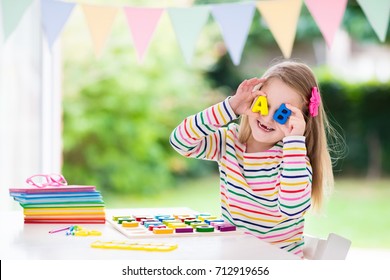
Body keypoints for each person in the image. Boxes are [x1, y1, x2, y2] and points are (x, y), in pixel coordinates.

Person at [169, 60, 334, 259]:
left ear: (301, 120)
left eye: (283, 114)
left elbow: (292, 208)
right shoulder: (229, 142)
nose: (267, 118)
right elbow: (180, 141)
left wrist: (294, 140)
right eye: (263, 105)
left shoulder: (293, 160)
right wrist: (229, 107)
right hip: (233, 260)